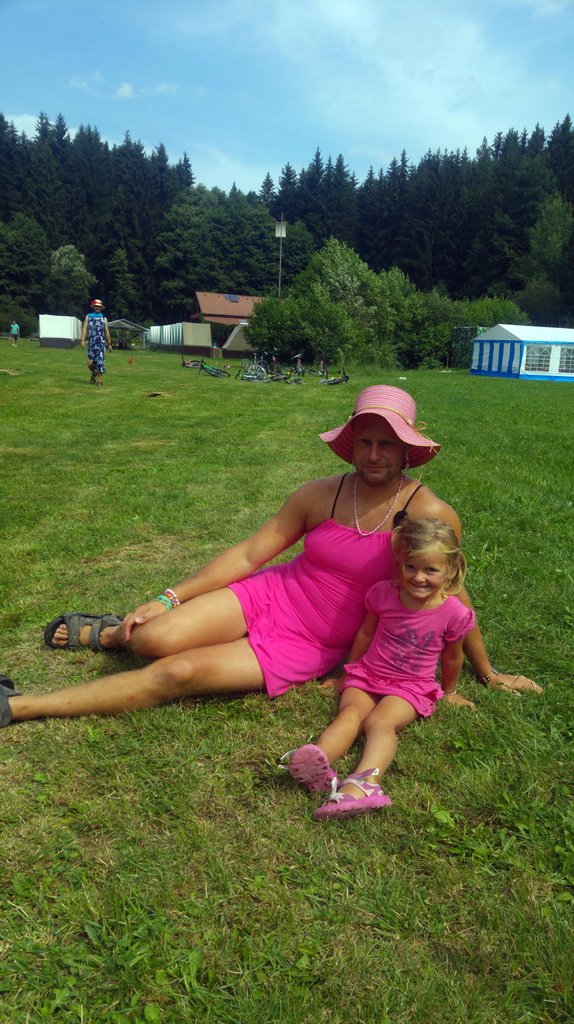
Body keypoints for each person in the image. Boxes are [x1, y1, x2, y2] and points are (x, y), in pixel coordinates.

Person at [0, 385, 541, 729]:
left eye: (387, 444)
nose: (374, 455)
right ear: (352, 443)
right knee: (151, 638)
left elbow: (452, 595)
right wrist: (168, 597)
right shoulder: (320, 493)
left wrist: (487, 672)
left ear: (407, 448)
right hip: (272, 594)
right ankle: (118, 634)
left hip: (314, 642)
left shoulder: (427, 511)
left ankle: (17, 706)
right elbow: (250, 553)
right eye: (365, 441)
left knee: (178, 670)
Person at [282, 517, 476, 821]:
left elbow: (453, 658)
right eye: (411, 567)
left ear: (450, 569)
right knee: (350, 714)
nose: (418, 577)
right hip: (368, 675)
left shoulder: (454, 613)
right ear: (400, 563)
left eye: (430, 570)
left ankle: (365, 784)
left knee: (380, 722)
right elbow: (365, 634)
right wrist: (347, 673)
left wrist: (449, 692)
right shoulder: (383, 593)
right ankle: (319, 763)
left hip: (410, 687)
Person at [81, 299, 112, 385]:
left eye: (99, 307)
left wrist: (109, 344)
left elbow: (106, 331)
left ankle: (99, 381)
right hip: (91, 343)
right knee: (90, 363)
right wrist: (82, 339)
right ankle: (94, 372)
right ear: (93, 307)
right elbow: (85, 328)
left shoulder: (104, 318)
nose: (97, 308)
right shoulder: (88, 317)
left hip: (101, 343)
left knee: (100, 362)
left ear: (101, 308)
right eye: (96, 306)